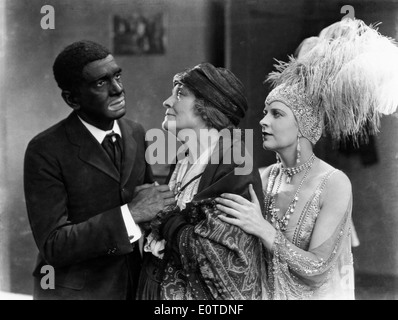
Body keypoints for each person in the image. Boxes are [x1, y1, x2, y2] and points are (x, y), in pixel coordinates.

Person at [216, 19, 398, 299]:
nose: (263, 121)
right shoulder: (263, 176)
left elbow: (319, 268)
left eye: (276, 114)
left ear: (304, 125)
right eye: (266, 112)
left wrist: (263, 229)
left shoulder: (334, 183)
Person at [24, 40, 175, 300]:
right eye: (100, 83)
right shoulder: (45, 149)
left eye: (117, 76)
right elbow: (53, 244)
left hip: (132, 289)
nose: (118, 89)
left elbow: (149, 204)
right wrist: (130, 214)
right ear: (72, 99)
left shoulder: (136, 133)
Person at [137, 62, 267, 300]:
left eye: (179, 94)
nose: (167, 102)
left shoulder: (234, 161)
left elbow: (218, 256)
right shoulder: (183, 159)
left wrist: (163, 218)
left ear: (207, 106)